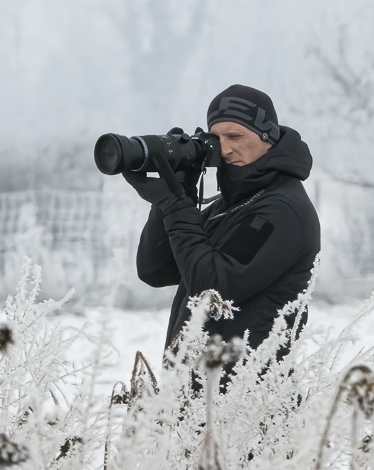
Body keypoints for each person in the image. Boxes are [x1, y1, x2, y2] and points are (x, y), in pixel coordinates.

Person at [129, 84, 320, 366]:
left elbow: (213, 290)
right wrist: (175, 196)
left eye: (235, 136)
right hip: (201, 397)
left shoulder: (281, 210)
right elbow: (155, 271)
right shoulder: (229, 206)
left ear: (269, 137)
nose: (226, 149)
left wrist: (176, 207)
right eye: (216, 138)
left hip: (249, 398)